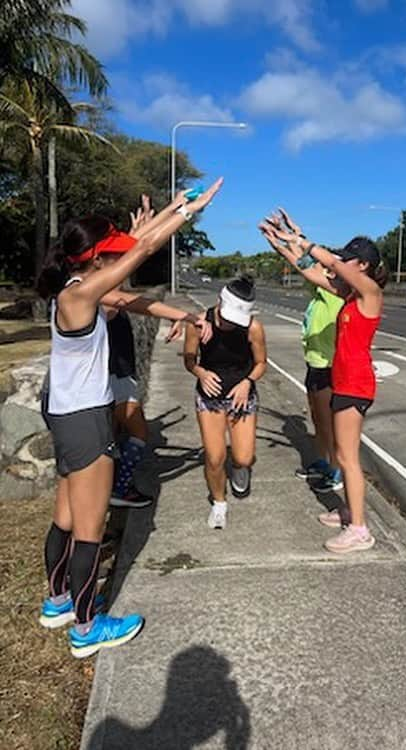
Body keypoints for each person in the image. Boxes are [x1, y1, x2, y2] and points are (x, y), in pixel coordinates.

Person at [36, 178, 223, 657]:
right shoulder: (78, 297)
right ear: (96, 258)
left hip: (67, 416)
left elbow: (135, 298)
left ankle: (58, 603)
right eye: (111, 254)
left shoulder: (78, 290)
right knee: (89, 528)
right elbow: (144, 247)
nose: (119, 260)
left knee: (64, 516)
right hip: (84, 420)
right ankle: (86, 627)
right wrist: (188, 210)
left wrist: (177, 315)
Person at [260, 212, 387, 554]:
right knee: (343, 456)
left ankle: (360, 530)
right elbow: (310, 269)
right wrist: (283, 244)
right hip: (344, 380)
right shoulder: (347, 295)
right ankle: (350, 511)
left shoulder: (370, 293)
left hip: (356, 384)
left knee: (347, 458)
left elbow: (328, 260)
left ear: (362, 265)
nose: (341, 264)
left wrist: (304, 241)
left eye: (349, 260)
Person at [102, 194, 212, 510]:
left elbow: (135, 246)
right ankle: (117, 488)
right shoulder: (98, 292)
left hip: (116, 370)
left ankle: (113, 486)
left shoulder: (93, 287)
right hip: (114, 372)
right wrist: (183, 210)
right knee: (134, 431)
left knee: (117, 433)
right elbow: (139, 249)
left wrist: (166, 212)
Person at [184, 276, 267, 530]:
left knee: (243, 457)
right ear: (219, 302)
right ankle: (219, 503)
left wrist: (248, 382)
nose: (231, 324)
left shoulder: (253, 328)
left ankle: (241, 469)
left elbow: (262, 363)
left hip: (242, 397)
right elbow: (189, 360)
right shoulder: (199, 324)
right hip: (209, 399)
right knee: (214, 457)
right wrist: (201, 373)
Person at [279, 211, 344, 492]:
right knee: (318, 419)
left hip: (330, 367)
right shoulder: (319, 294)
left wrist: (291, 241)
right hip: (315, 364)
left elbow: (306, 261)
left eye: (330, 268)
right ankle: (321, 461)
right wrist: (292, 237)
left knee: (329, 424)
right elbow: (304, 262)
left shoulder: (336, 292)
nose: (323, 271)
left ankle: (337, 471)